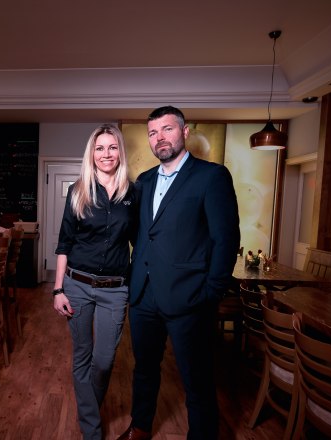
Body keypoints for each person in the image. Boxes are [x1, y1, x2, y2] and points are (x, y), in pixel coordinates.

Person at [118, 106, 240, 440]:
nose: (160, 138)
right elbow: (142, 234)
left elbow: (226, 239)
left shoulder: (211, 177)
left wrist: (211, 293)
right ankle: (141, 427)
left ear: (184, 132)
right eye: (153, 132)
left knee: (196, 378)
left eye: (167, 129)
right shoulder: (143, 182)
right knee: (144, 370)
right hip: (143, 296)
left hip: (189, 298)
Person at [52, 124, 138, 440]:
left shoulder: (133, 193)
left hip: (115, 289)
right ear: (92, 153)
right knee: (82, 356)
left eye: (112, 147)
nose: (106, 154)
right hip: (77, 284)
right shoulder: (78, 191)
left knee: (104, 361)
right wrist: (58, 288)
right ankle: (92, 430)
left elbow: (140, 241)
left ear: (120, 152)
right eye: (99, 148)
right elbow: (64, 243)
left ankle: (89, 408)